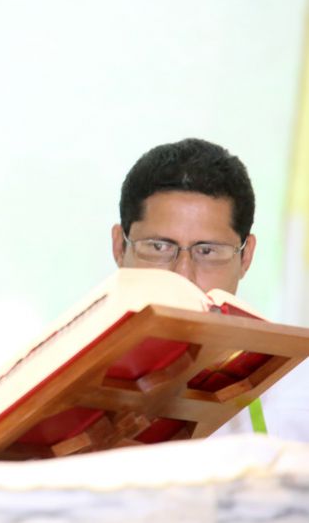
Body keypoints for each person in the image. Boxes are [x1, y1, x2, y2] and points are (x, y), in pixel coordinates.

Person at [111, 137, 309, 441]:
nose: (182, 275)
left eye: (207, 251)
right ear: (118, 247)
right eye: (159, 246)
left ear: (246, 256)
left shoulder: (295, 391)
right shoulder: (57, 375)